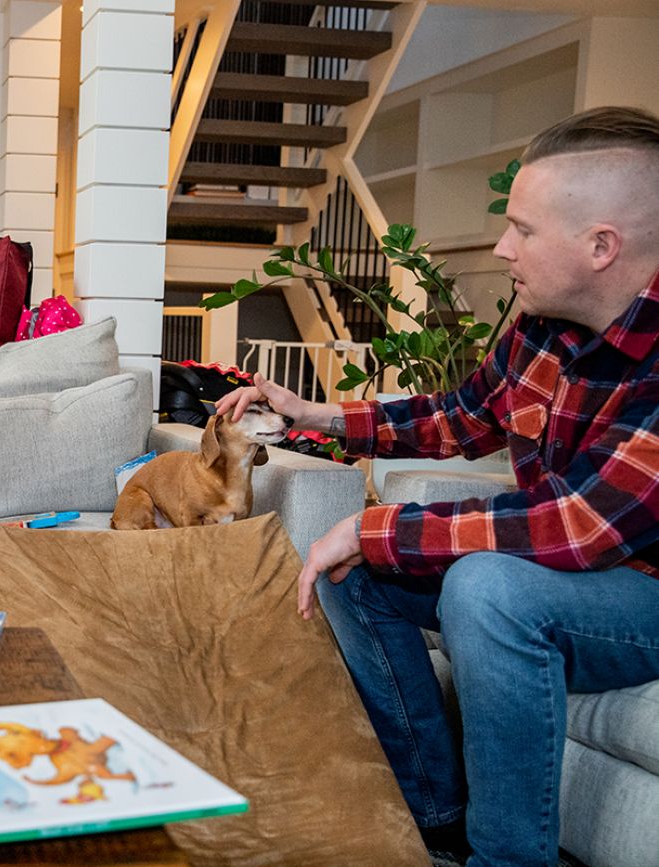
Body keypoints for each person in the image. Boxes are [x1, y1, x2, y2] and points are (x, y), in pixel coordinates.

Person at [216, 105, 659, 866]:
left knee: (486, 587)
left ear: (600, 246)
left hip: (639, 597)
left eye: (522, 228)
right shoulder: (540, 325)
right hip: (566, 578)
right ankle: (435, 818)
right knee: (357, 577)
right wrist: (311, 412)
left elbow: (580, 527)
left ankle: (508, 858)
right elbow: (457, 417)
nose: (501, 245)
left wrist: (371, 524)